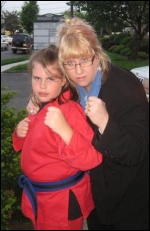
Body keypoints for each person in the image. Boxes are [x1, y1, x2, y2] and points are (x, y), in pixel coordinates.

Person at [27, 17, 149, 230]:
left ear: (97, 54)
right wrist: (38, 100)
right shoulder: (74, 87)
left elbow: (137, 151)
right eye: (71, 63)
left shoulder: (124, 87)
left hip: (127, 200)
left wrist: (105, 123)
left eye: (85, 60)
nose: (79, 71)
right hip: (95, 197)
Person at [12, 44, 103, 230]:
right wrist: (19, 132)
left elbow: (92, 159)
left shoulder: (70, 112)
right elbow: (34, 145)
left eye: (51, 79)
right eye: (37, 78)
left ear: (63, 81)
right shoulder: (40, 105)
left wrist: (64, 130)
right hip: (40, 197)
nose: (42, 86)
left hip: (62, 201)